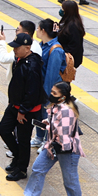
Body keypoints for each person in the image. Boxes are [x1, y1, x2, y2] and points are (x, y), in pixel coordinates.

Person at [15, 82, 84, 196]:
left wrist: (50, 128)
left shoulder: (66, 111)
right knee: (38, 168)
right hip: (54, 146)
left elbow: (64, 136)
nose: (51, 95)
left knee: (70, 178)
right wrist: (48, 123)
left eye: (54, 93)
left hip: (66, 150)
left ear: (63, 97)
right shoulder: (57, 106)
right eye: (51, 92)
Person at [0, 33, 45, 181]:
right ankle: (18, 158)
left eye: (17, 48)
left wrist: (22, 111)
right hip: (15, 105)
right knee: (3, 129)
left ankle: (22, 169)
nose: (14, 50)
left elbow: (32, 92)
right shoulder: (20, 59)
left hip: (27, 110)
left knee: (24, 140)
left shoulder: (32, 66)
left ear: (27, 48)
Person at [31, 18, 68, 147]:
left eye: (37, 28)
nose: (36, 31)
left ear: (43, 31)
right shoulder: (41, 45)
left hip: (49, 89)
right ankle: (39, 138)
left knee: (49, 116)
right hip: (41, 87)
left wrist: (46, 95)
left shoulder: (56, 50)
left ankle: (48, 141)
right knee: (40, 114)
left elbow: (51, 75)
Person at [57, 0, 85, 69]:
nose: (61, 10)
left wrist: (63, 55)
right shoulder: (67, 21)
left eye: (63, 9)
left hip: (69, 59)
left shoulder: (73, 26)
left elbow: (74, 45)